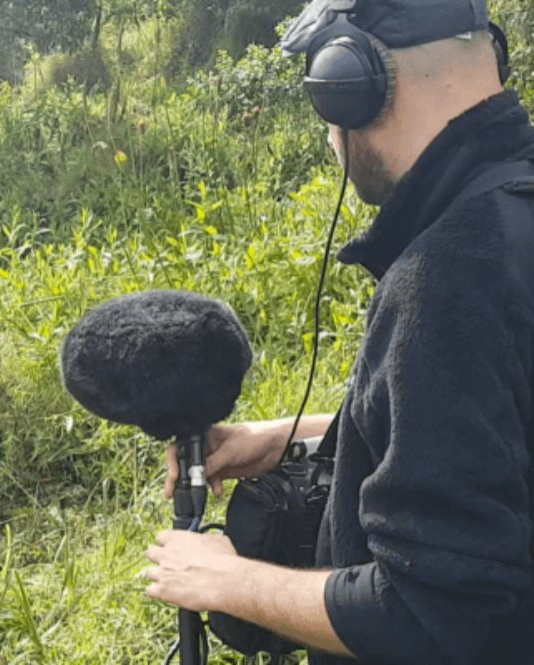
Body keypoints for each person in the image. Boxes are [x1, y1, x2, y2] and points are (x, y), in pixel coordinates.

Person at [144, 1, 534, 663]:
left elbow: (424, 615)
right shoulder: (510, 216)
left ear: (352, 85)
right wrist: (282, 438)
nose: (330, 137)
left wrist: (227, 579)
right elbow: (490, 426)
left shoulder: (446, 280)